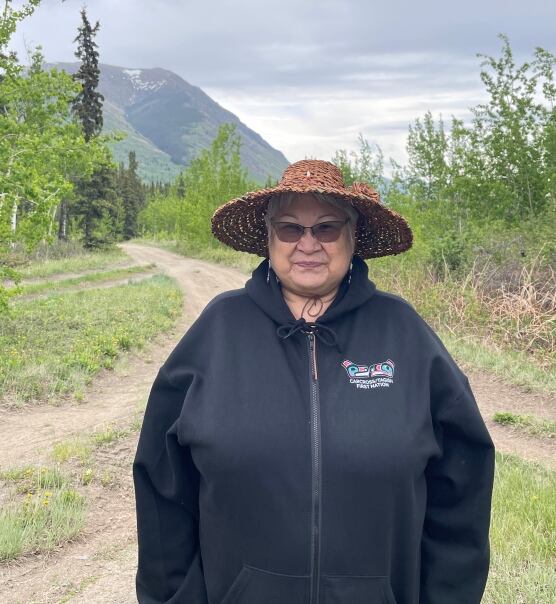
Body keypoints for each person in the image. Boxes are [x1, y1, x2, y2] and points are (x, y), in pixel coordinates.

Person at [132, 160, 494, 604]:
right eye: (289, 229)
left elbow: (463, 488)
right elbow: (161, 487)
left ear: (352, 235)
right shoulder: (218, 331)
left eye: (325, 228)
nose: (308, 244)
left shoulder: (404, 333)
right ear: (268, 237)